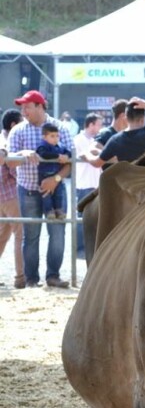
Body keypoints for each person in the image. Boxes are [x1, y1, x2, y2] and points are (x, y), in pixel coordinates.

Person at [6, 90, 75, 289]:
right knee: (31, 235)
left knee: (58, 233)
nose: (23, 111)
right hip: (28, 189)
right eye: (22, 107)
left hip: (55, 190)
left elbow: (71, 161)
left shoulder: (60, 128)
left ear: (40, 106)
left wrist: (56, 179)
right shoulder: (18, 130)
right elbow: (10, 162)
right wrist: (22, 153)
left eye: (27, 106)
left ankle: (53, 276)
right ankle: (31, 280)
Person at [90, 97, 145, 169]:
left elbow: (97, 163)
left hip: (127, 184)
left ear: (126, 118)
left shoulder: (115, 140)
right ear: (143, 118)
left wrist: (85, 156)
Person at [0, 109, 25, 289]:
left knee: (3, 236)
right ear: (13, 125)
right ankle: (20, 277)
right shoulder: (7, 142)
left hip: (2, 196)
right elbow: (12, 169)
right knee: (20, 235)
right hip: (10, 194)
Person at [73, 113, 103, 257]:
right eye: (98, 125)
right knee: (82, 217)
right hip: (83, 184)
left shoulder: (96, 140)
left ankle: (91, 247)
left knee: (95, 217)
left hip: (96, 184)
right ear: (91, 125)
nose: (100, 128)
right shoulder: (78, 140)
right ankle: (80, 248)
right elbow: (86, 155)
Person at [35, 123, 71, 220]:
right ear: (44, 137)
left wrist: (66, 156)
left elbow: (69, 152)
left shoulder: (60, 146)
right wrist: (58, 156)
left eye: (57, 136)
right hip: (44, 176)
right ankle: (49, 211)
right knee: (46, 195)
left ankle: (59, 210)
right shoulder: (42, 146)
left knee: (58, 194)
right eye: (52, 136)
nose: (55, 139)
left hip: (56, 175)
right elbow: (44, 154)